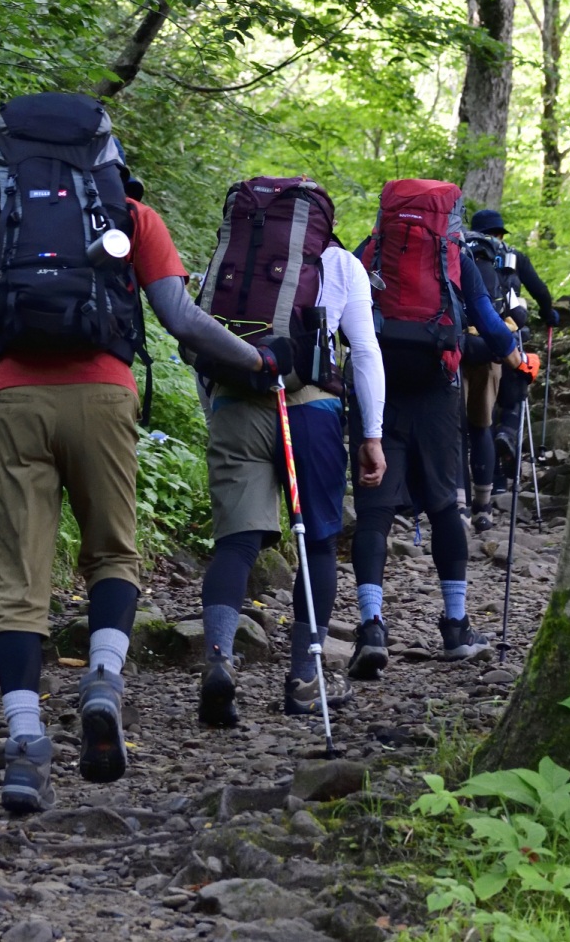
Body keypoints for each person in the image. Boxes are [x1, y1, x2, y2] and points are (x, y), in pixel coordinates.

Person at [0, 93, 277, 816]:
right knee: (112, 555)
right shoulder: (129, 216)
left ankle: (24, 747)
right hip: (105, 395)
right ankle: (104, 682)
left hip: (14, 401)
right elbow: (182, 320)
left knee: (22, 581)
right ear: (103, 151)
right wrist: (258, 362)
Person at [194, 178, 386, 728]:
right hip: (312, 411)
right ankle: (305, 678)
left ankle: (219, 661)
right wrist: (371, 435)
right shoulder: (340, 264)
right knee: (319, 542)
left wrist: (220, 410)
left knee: (236, 543)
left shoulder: (227, 262)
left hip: (235, 403)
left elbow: (201, 343)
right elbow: (365, 351)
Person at [348, 230, 538, 677]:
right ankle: (455, 626)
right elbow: (489, 323)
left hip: (375, 391)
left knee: (373, 512)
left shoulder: (371, 248)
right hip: (436, 392)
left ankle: (371, 626)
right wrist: (518, 362)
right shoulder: (453, 255)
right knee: (442, 508)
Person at [468, 210, 558, 470]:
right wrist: (547, 313)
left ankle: (480, 466)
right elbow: (539, 290)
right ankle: (507, 431)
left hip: (471, 340)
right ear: (499, 233)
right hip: (509, 334)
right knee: (515, 385)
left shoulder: (463, 253)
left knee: (480, 409)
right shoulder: (514, 256)